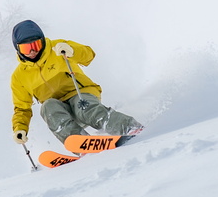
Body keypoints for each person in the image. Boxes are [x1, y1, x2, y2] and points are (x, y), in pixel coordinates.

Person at [9, 19, 142, 146]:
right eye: (26, 49)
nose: (33, 51)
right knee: (47, 107)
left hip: (80, 93)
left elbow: (89, 55)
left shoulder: (57, 47)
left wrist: (72, 51)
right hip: (59, 108)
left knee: (84, 109)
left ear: (43, 41)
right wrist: (20, 128)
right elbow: (22, 108)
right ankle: (80, 142)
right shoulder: (19, 76)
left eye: (36, 45)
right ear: (18, 49)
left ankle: (128, 127)